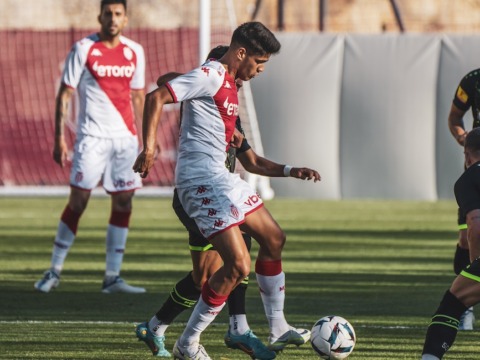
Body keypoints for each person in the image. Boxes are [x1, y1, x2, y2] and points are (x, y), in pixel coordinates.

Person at [133, 22, 321, 359]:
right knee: (236, 266)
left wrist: (290, 169)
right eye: (259, 63)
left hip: (222, 179)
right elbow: (156, 95)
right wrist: (149, 149)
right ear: (241, 53)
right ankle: (189, 343)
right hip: (199, 182)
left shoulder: (230, 88)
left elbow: (251, 161)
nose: (260, 71)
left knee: (274, 239)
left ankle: (276, 326)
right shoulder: (213, 75)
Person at [34, 0, 146, 294]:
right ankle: (54, 270)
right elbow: (65, 94)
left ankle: (112, 278)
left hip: (125, 141)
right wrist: (60, 137)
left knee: (123, 203)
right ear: (100, 16)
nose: (112, 18)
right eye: (108, 13)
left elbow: (139, 98)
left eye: (118, 14)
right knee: (78, 203)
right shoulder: (83, 48)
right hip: (91, 139)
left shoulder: (136, 52)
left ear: (125, 18)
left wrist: (148, 141)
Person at [421, 127, 480, 359]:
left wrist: (476, 263)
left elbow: (475, 223)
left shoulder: (468, 178)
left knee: (452, 305)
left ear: (466, 155)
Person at [446, 69, 480, 329]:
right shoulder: (472, 80)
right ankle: (464, 307)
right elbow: (455, 117)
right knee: (467, 236)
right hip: (475, 172)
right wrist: (462, 137)